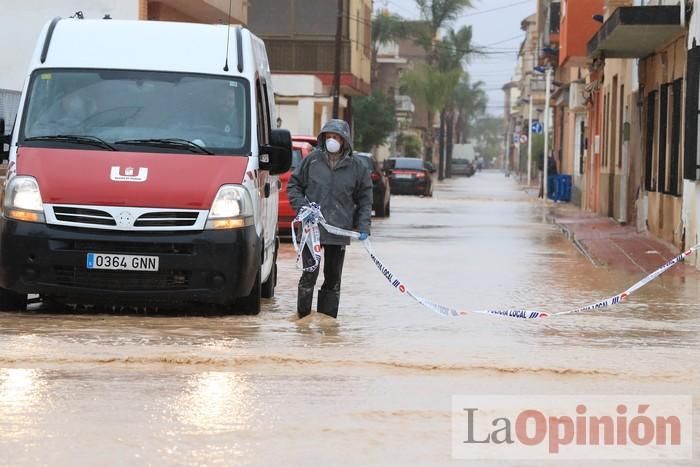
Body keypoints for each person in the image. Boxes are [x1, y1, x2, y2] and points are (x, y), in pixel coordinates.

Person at [287, 119, 373, 319]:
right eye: (328, 137)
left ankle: (327, 321)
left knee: (333, 278)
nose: (331, 141)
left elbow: (365, 199)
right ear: (323, 138)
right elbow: (294, 186)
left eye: (336, 137)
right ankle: (304, 319)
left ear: (344, 141)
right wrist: (303, 209)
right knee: (309, 273)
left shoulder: (357, 167)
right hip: (311, 230)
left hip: (338, 230)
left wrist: (363, 226)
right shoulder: (312, 161)